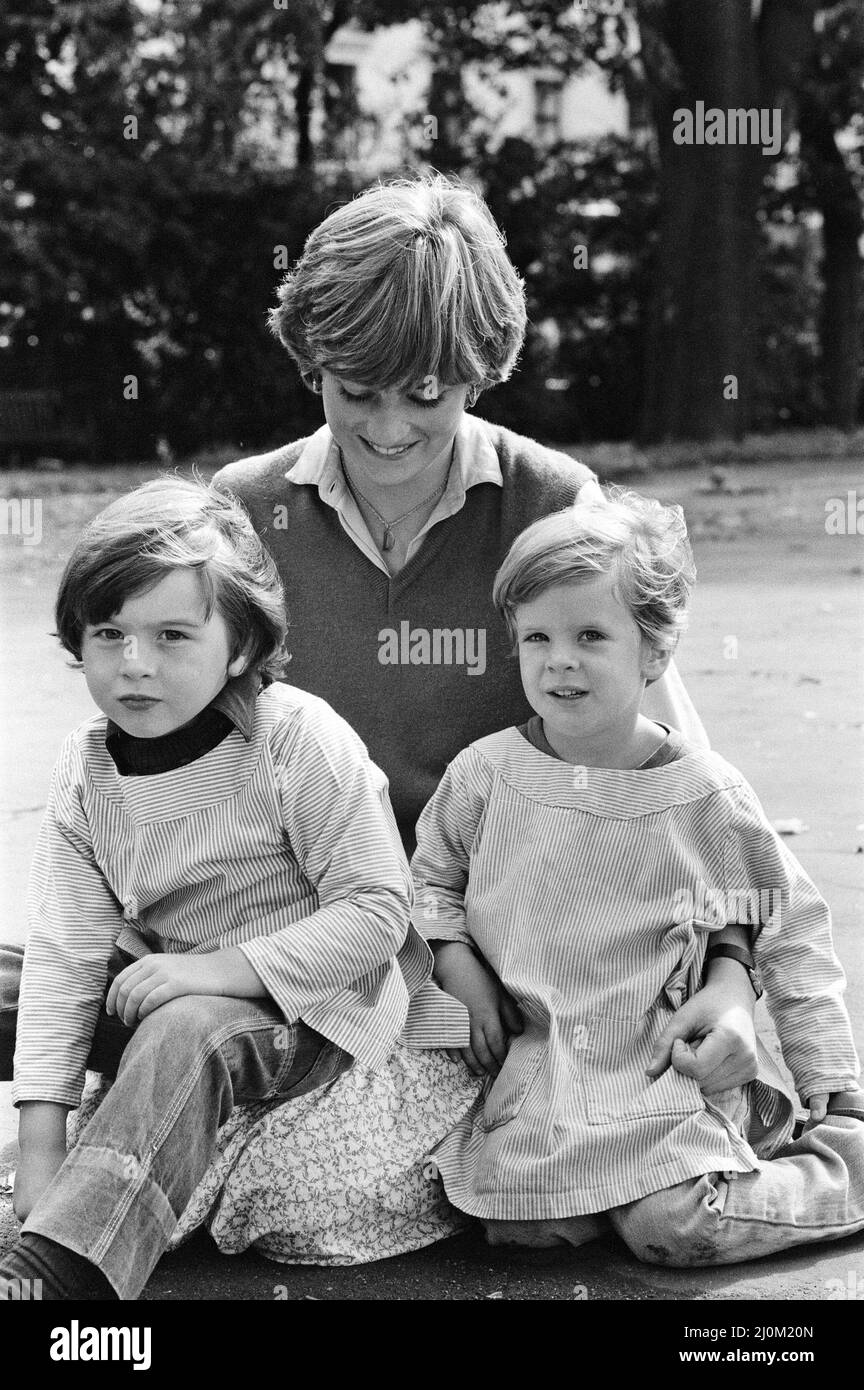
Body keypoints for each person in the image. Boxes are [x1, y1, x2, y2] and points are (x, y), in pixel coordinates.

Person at [213, 172, 760, 1092]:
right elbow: (186, 751)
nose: (387, 430)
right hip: (315, 929)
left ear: (480, 369)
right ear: (311, 364)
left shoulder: (553, 504)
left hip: (527, 933)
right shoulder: (244, 514)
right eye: (356, 391)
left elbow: (676, 770)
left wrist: (734, 969)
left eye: (426, 394)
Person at [0, 477, 476, 1299]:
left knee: (190, 1028)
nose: (135, 665)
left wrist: (214, 972)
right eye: (108, 633)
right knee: (18, 980)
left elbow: (375, 915)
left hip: (312, 1014)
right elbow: (68, 959)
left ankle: (66, 1271)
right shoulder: (87, 772)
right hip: (169, 982)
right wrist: (39, 1155)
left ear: (243, 647)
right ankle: (68, 1194)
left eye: (173, 635)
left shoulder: (294, 741)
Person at [406, 487, 864, 1264]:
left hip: (661, 1072)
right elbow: (428, 885)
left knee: (674, 1228)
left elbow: (787, 929)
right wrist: (455, 961)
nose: (560, 661)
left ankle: (844, 1177)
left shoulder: (703, 791)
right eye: (538, 638)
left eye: (592, 635)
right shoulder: (486, 775)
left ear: (654, 651)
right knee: (517, 1226)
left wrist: (836, 1085)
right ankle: (608, 1197)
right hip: (544, 1071)